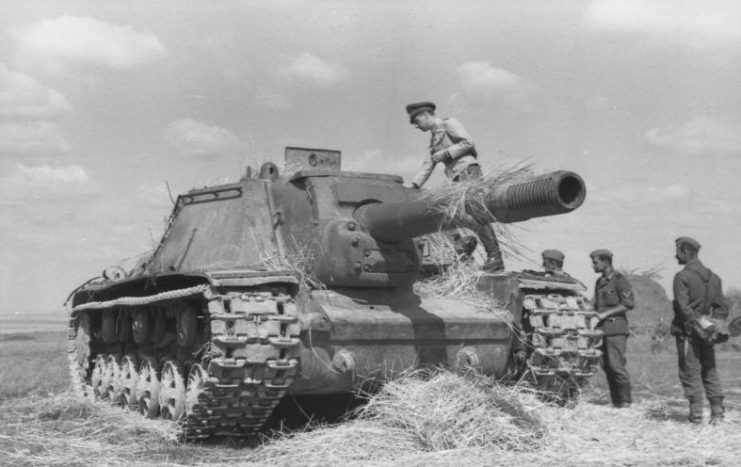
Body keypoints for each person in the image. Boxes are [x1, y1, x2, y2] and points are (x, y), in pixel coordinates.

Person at [403, 101, 503, 272]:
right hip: (457, 177)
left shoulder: (449, 124)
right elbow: (428, 165)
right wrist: (413, 186)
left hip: (468, 172)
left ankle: (495, 256)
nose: (416, 127)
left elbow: (468, 142)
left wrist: (446, 153)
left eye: (417, 121)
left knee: (476, 212)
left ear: (426, 115)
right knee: (459, 213)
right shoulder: (434, 138)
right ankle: (467, 244)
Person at [671, 236, 725, 424]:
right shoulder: (714, 278)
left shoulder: (682, 277)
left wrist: (695, 326)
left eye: (677, 251)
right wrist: (711, 327)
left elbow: (683, 308)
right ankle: (717, 414)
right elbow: (722, 308)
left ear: (685, 251)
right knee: (710, 371)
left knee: (690, 373)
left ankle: (696, 417)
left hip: (688, 334)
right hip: (707, 334)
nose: (675, 255)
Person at [590, 249, 634, 408]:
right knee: (606, 366)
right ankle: (617, 401)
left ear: (606, 262)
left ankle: (626, 401)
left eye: (595, 262)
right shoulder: (600, 282)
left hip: (616, 329)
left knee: (616, 366)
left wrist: (604, 315)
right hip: (602, 330)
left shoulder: (619, 280)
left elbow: (628, 304)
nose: (592, 266)